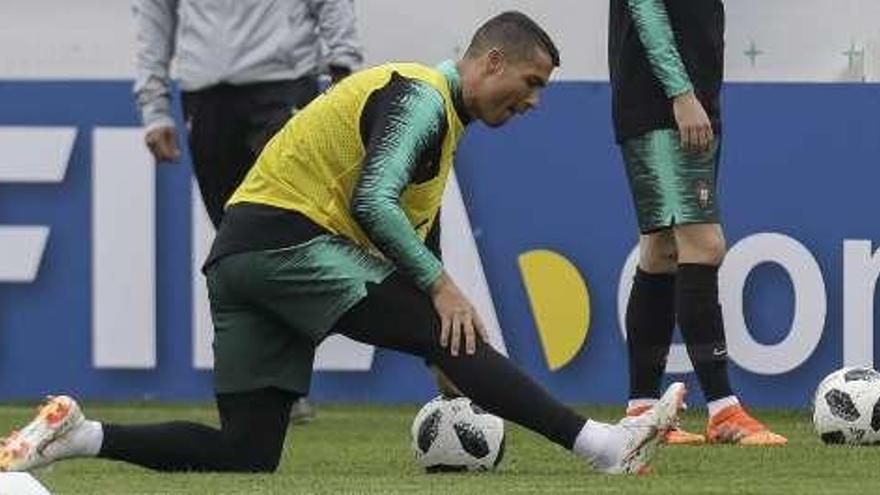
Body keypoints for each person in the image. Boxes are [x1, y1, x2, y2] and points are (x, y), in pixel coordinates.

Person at [0, 11, 684, 476]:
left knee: (246, 451)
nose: (533, 102)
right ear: (491, 62)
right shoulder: (419, 95)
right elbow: (373, 202)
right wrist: (442, 296)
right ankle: (602, 446)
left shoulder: (437, 129)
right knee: (455, 332)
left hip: (239, 259)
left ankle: (79, 435)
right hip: (285, 246)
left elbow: (415, 234)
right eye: (531, 84)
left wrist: (435, 314)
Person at [132, 0, 363, 422]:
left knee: (287, 236)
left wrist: (344, 64)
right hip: (206, 97)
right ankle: (267, 387)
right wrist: (155, 105)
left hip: (282, 87)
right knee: (235, 247)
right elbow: (153, 10)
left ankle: (284, 386)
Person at [608, 0, 786, 445]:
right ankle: (723, 410)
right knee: (703, 243)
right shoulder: (673, 94)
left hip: (686, 99)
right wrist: (680, 93)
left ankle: (643, 410)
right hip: (665, 103)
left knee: (662, 250)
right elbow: (645, 8)